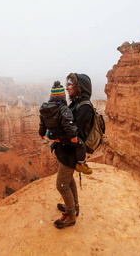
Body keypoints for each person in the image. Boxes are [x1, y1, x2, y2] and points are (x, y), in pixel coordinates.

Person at [48, 73, 94, 229]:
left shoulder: (85, 107)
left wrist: (54, 135)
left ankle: (70, 215)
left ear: (79, 87)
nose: (67, 87)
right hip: (66, 150)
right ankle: (74, 207)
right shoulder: (76, 103)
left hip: (71, 153)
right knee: (69, 180)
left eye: (70, 84)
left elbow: (72, 132)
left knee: (61, 185)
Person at [38, 81, 86, 163]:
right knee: (81, 144)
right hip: (60, 134)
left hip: (50, 134)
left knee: (58, 137)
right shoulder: (63, 109)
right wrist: (73, 136)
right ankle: (81, 164)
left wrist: (41, 133)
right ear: (63, 96)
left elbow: (42, 123)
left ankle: (59, 141)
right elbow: (68, 123)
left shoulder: (45, 109)